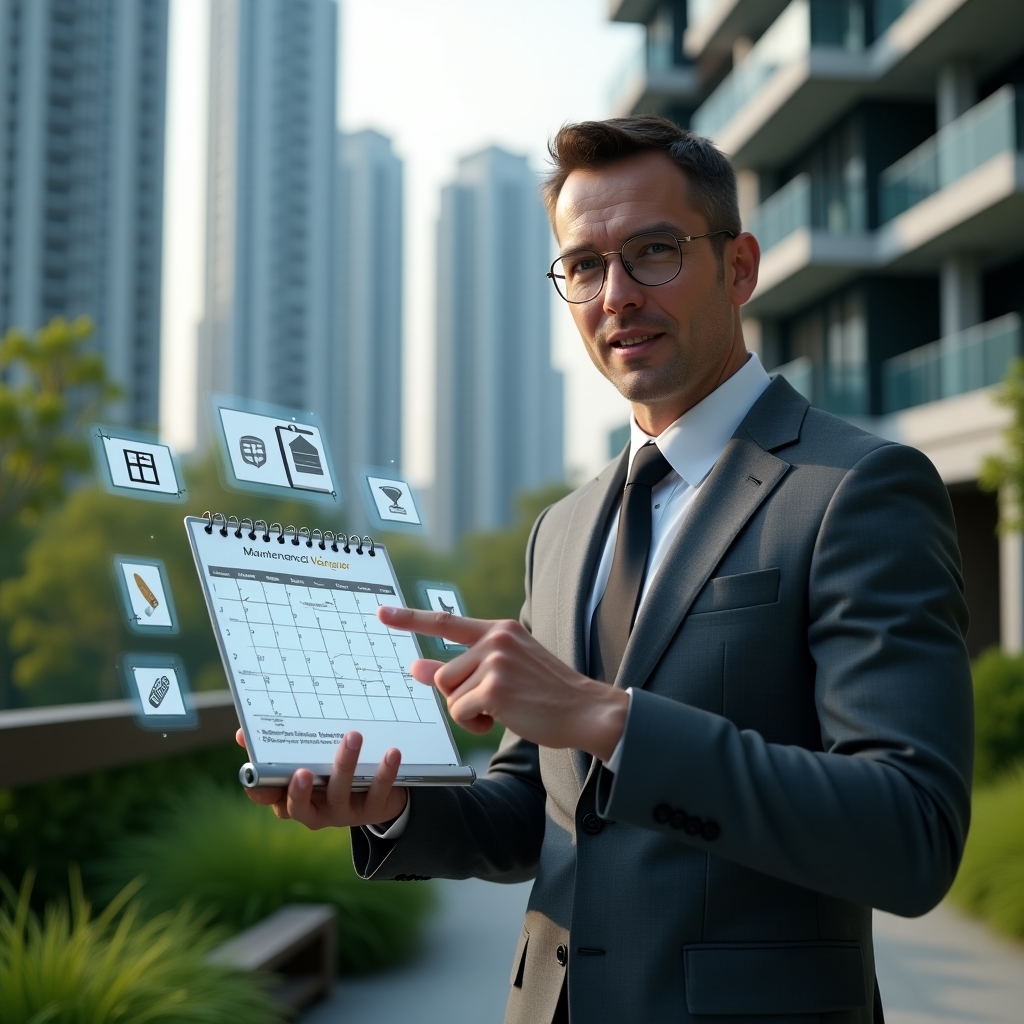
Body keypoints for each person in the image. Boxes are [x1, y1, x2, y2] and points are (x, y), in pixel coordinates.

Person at [241, 116, 973, 1023]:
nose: (616, 293)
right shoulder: (564, 526)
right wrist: (390, 807)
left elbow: (910, 833)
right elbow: (536, 807)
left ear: (738, 267)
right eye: (584, 266)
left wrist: (608, 717)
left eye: (654, 251)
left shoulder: (857, 490)